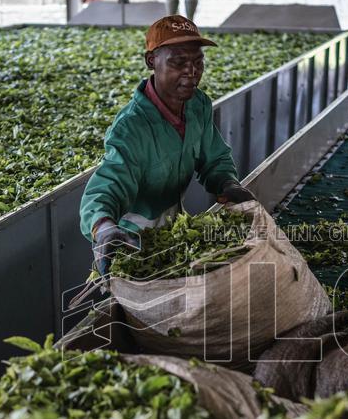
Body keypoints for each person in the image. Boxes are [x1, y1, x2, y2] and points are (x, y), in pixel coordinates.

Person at [80, 15, 255, 275]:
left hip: (174, 231)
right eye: (178, 62)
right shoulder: (131, 127)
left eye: (198, 62)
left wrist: (228, 184)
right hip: (131, 243)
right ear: (151, 61)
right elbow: (108, 184)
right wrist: (104, 228)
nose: (191, 71)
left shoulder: (198, 105)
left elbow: (214, 158)